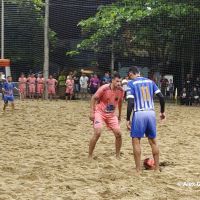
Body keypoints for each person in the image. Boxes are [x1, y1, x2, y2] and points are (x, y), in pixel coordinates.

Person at [126, 66, 165, 174]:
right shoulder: (150, 82)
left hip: (139, 114)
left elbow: (130, 103)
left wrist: (127, 119)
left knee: (136, 141)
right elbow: (161, 97)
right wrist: (162, 112)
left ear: (131, 74)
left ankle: (138, 170)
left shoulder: (131, 84)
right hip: (151, 113)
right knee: (153, 141)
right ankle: (157, 169)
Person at [89, 73, 124, 159]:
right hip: (99, 113)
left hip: (111, 115)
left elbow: (120, 103)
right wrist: (92, 112)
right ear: (112, 80)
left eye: (120, 81)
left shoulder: (121, 91)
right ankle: (90, 155)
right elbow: (93, 98)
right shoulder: (104, 88)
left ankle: (117, 155)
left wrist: (119, 115)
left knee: (119, 134)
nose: (119, 83)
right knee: (97, 133)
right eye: (117, 81)